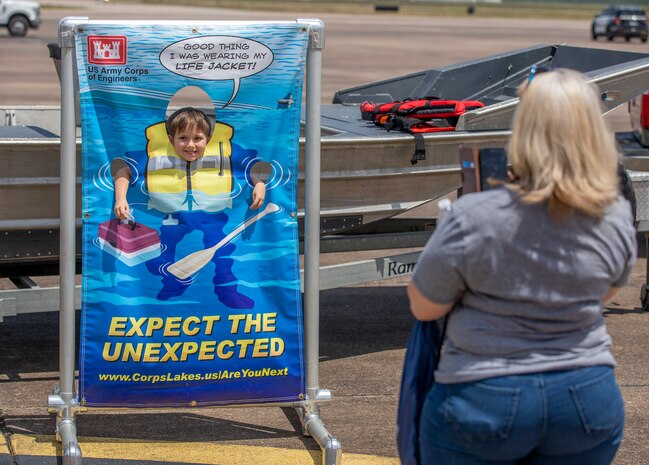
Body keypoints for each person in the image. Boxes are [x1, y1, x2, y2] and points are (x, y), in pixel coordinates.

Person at [407, 68, 637, 465]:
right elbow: (605, 292)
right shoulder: (615, 214)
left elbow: (425, 307)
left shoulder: (473, 215)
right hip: (587, 395)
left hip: (484, 395)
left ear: (525, 128)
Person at [113, 107, 266, 308]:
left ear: (208, 139)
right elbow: (123, 170)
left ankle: (227, 290)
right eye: (183, 138)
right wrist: (121, 198)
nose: (190, 144)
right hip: (173, 215)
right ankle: (172, 284)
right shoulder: (154, 153)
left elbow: (255, 165)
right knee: (161, 254)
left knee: (222, 253)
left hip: (212, 215)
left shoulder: (225, 148)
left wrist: (260, 183)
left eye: (197, 138)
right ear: (171, 139)